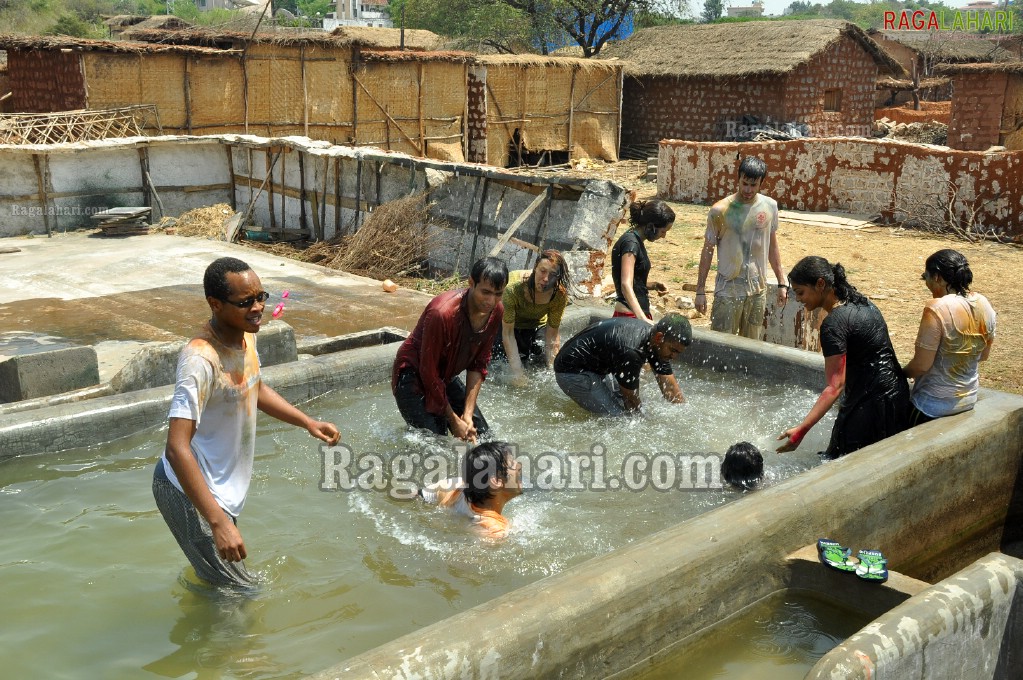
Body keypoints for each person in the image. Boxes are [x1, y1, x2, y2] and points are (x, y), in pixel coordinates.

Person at [152, 257, 341, 588]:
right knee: (240, 593)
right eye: (245, 302)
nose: (257, 308)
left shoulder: (245, 335)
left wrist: (306, 422)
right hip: (187, 490)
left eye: (261, 297)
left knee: (223, 585)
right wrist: (217, 522)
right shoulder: (200, 359)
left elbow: (255, 387)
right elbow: (176, 447)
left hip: (220, 491)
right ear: (215, 304)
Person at [777, 256, 909, 459]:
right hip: (897, 396)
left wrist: (801, 431)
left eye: (801, 292)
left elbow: (835, 386)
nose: (799, 299)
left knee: (840, 463)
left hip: (869, 405)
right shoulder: (865, 304)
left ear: (820, 284)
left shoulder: (834, 324)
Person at [392, 257, 508, 442]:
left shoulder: (497, 311)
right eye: (485, 292)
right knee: (437, 444)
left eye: (498, 294)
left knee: (485, 437)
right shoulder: (442, 313)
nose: (491, 301)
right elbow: (428, 372)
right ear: (471, 283)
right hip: (412, 376)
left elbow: (479, 363)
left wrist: (467, 415)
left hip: (444, 376)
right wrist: (454, 420)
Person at [695, 156, 788, 340]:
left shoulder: (769, 206)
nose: (748, 190)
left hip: (757, 290)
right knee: (721, 346)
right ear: (738, 179)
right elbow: (708, 251)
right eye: (744, 183)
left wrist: (781, 281)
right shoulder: (720, 211)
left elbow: (771, 245)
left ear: (761, 182)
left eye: (753, 185)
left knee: (751, 346)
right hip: (728, 289)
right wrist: (700, 291)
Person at [902, 249, 996, 425]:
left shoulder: (937, 308)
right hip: (968, 400)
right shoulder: (984, 303)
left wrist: (899, 374)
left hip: (932, 406)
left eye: (926, 277)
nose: (927, 283)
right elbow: (983, 355)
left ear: (937, 277)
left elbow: (921, 365)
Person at [553, 313, 691, 416]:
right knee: (618, 418)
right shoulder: (632, 352)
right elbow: (631, 400)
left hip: (597, 367)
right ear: (659, 337)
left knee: (623, 406)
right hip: (571, 371)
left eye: (678, 353)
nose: (674, 357)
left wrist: (684, 415)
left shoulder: (657, 343)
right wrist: (646, 426)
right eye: (673, 351)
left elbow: (671, 389)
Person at [494, 249, 571, 386]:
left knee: (541, 363)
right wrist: (518, 374)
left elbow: (552, 334)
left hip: (536, 325)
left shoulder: (559, 295)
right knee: (499, 362)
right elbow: (508, 334)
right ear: (535, 268)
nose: (546, 279)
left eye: (553, 275)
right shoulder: (513, 288)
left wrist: (553, 372)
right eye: (543, 271)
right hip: (508, 325)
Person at [416, 441, 522, 539]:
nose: (519, 466)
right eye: (512, 463)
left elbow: (416, 495)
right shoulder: (495, 531)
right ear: (496, 481)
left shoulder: (455, 489)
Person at [611, 200, 675, 323]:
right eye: (663, 231)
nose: (663, 236)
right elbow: (625, 284)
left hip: (633, 314)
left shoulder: (632, 240)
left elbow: (631, 281)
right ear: (651, 226)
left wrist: (654, 285)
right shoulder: (631, 244)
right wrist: (641, 318)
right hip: (629, 317)